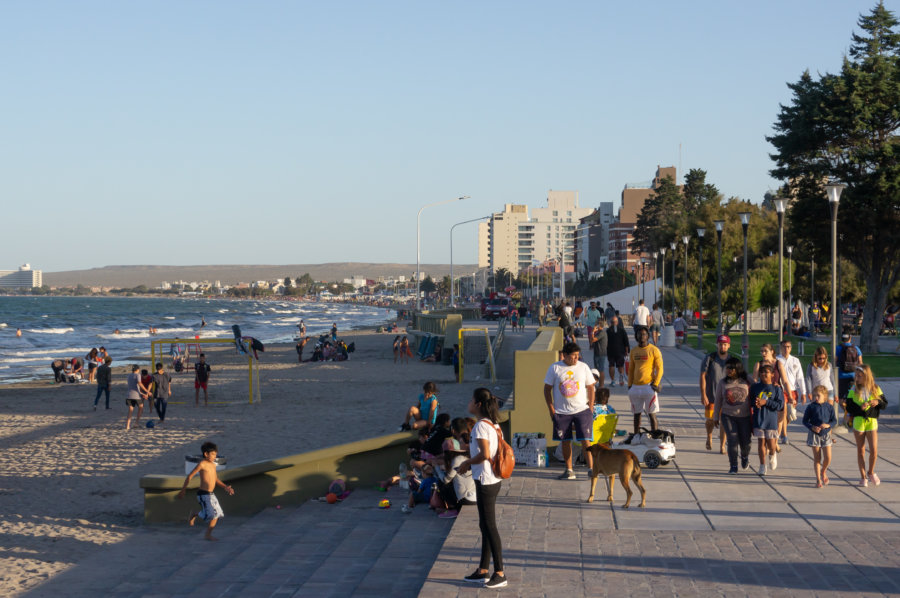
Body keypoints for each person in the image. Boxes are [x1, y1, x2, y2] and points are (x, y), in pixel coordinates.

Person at [455, 388, 508, 588]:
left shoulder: (479, 426)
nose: (469, 403)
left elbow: (485, 454)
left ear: (478, 404)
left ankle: (500, 572)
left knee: (490, 526)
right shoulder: (493, 424)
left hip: (486, 480)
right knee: (484, 525)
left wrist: (466, 462)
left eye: (471, 399)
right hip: (492, 478)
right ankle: (483, 570)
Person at [543, 342, 596, 480]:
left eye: (577, 356)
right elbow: (547, 389)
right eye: (573, 356)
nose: (576, 359)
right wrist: (552, 410)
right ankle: (569, 469)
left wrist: (590, 407)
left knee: (585, 439)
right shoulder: (555, 368)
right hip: (561, 412)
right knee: (565, 441)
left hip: (582, 410)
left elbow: (590, 387)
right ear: (564, 355)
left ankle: (591, 468)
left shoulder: (583, 367)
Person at [178, 441, 234, 541]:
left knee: (218, 514)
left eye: (215, 454)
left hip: (211, 494)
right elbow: (190, 476)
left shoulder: (213, 465)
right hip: (203, 494)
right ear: (206, 454)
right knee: (212, 515)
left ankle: (205, 530)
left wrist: (226, 487)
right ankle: (197, 518)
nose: (214, 456)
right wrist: (183, 490)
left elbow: (216, 479)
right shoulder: (202, 464)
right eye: (213, 454)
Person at [844, 364, 886, 487]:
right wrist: (860, 408)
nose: (857, 378)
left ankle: (871, 472)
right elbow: (849, 406)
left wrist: (877, 401)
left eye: (860, 376)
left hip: (872, 422)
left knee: (874, 450)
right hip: (859, 422)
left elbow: (884, 404)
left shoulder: (875, 388)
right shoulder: (853, 389)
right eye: (856, 375)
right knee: (860, 450)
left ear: (867, 376)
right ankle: (863, 477)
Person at [713, 357, 753, 474]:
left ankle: (744, 456)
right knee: (732, 439)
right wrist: (716, 416)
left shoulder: (747, 380)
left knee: (746, 442)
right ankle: (733, 465)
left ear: (738, 368)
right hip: (728, 416)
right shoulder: (722, 382)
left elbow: (757, 391)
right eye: (727, 368)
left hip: (744, 417)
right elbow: (718, 401)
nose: (728, 370)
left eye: (731, 368)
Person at [752, 344, 793, 451]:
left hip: (777, 393)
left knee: (779, 420)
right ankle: (769, 444)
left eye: (765, 351)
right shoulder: (758, 364)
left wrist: (790, 395)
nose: (763, 353)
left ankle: (775, 440)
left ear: (772, 351)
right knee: (765, 420)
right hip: (762, 394)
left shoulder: (778, 363)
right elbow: (754, 381)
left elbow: (785, 381)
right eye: (761, 351)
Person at [749, 364, 784, 476]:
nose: (764, 374)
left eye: (767, 372)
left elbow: (780, 405)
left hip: (771, 420)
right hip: (759, 419)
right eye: (762, 372)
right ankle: (762, 466)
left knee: (771, 444)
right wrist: (755, 404)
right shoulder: (755, 387)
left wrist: (766, 402)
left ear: (773, 375)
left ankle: (772, 454)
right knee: (761, 443)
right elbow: (750, 401)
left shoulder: (776, 389)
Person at [627, 326, 663, 435]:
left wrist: (655, 383)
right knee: (636, 414)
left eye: (644, 334)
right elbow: (631, 369)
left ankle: (655, 436)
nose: (641, 336)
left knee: (651, 414)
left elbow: (660, 368)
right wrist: (630, 385)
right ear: (636, 336)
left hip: (648, 387)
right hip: (635, 387)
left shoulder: (654, 350)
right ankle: (636, 436)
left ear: (648, 336)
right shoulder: (633, 351)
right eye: (639, 334)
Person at [700, 335, 731, 453]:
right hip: (711, 395)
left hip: (727, 397)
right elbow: (702, 376)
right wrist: (703, 394)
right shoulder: (710, 358)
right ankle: (709, 436)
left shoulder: (731, 360)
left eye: (725, 344)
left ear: (728, 346)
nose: (722, 346)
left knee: (724, 421)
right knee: (710, 420)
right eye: (720, 344)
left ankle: (722, 446)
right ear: (717, 345)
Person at [803, 385, 837, 488]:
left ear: (825, 396)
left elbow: (834, 421)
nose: (816, 398)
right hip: (814, 435)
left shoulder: (829, 407)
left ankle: (823, 471)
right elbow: (804, 421)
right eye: (814, 395)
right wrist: (812, 427)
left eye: (818, 395)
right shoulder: (811, 407)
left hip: (826, 434)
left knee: (828, 457)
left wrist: (828, 425)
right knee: (817, 458)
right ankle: (818, 480)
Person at [777, 340, 806, 442]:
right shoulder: (777, 360)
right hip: (781, 390)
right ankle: (784, 435)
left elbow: (800, 377)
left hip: (793, 390)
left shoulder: (795, 360)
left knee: (790, 414)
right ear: (781, 348)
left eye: (788, 347)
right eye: (784, 347)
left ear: (791, 348)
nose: (786, 349)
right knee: (784, 411)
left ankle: (781, 429)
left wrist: (803, 392)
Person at [835, 332, 862, 405]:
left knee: (841, 400)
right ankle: (851, 413)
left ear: (842, 339)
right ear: (850, 338)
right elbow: (860, 363)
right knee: (855, 397)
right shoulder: (856, 348)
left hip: (842, 376)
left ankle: (846, 412)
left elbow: (834, 361)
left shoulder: (838, 348)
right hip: (854, 376)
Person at [606, 315, 629, 387]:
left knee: (611, 365)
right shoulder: (622, 330)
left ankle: (613, 380)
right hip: (620, 351)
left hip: (610, 351)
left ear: (611, 323)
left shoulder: (608, 330)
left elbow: (605, 342)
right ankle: (621, 378)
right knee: (620, 366)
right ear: (617, 322)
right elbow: (626, 342)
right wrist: (627, 351)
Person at [125, 364, 150, 430]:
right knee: (141, 407)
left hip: (129, 395)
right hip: (136, 396)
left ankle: (127, 426)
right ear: (137, 369)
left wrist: (142, 393)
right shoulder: (138, 375)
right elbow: (139, 384)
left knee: (130, 410)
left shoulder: (129, 375)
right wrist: (147, 391)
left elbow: (133, 387)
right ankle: (136, 423)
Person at [589, 319, 607, 387]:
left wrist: (593, 332)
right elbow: (591, 340)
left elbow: (593, 339)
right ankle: (599, 384)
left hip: (601, 353)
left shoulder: (602, 333)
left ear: (599, 326)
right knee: (596, 370)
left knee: (601, 370)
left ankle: (601, 385)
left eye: (596, 324)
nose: (594, 326)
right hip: (597, 353)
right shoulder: (598, 333)